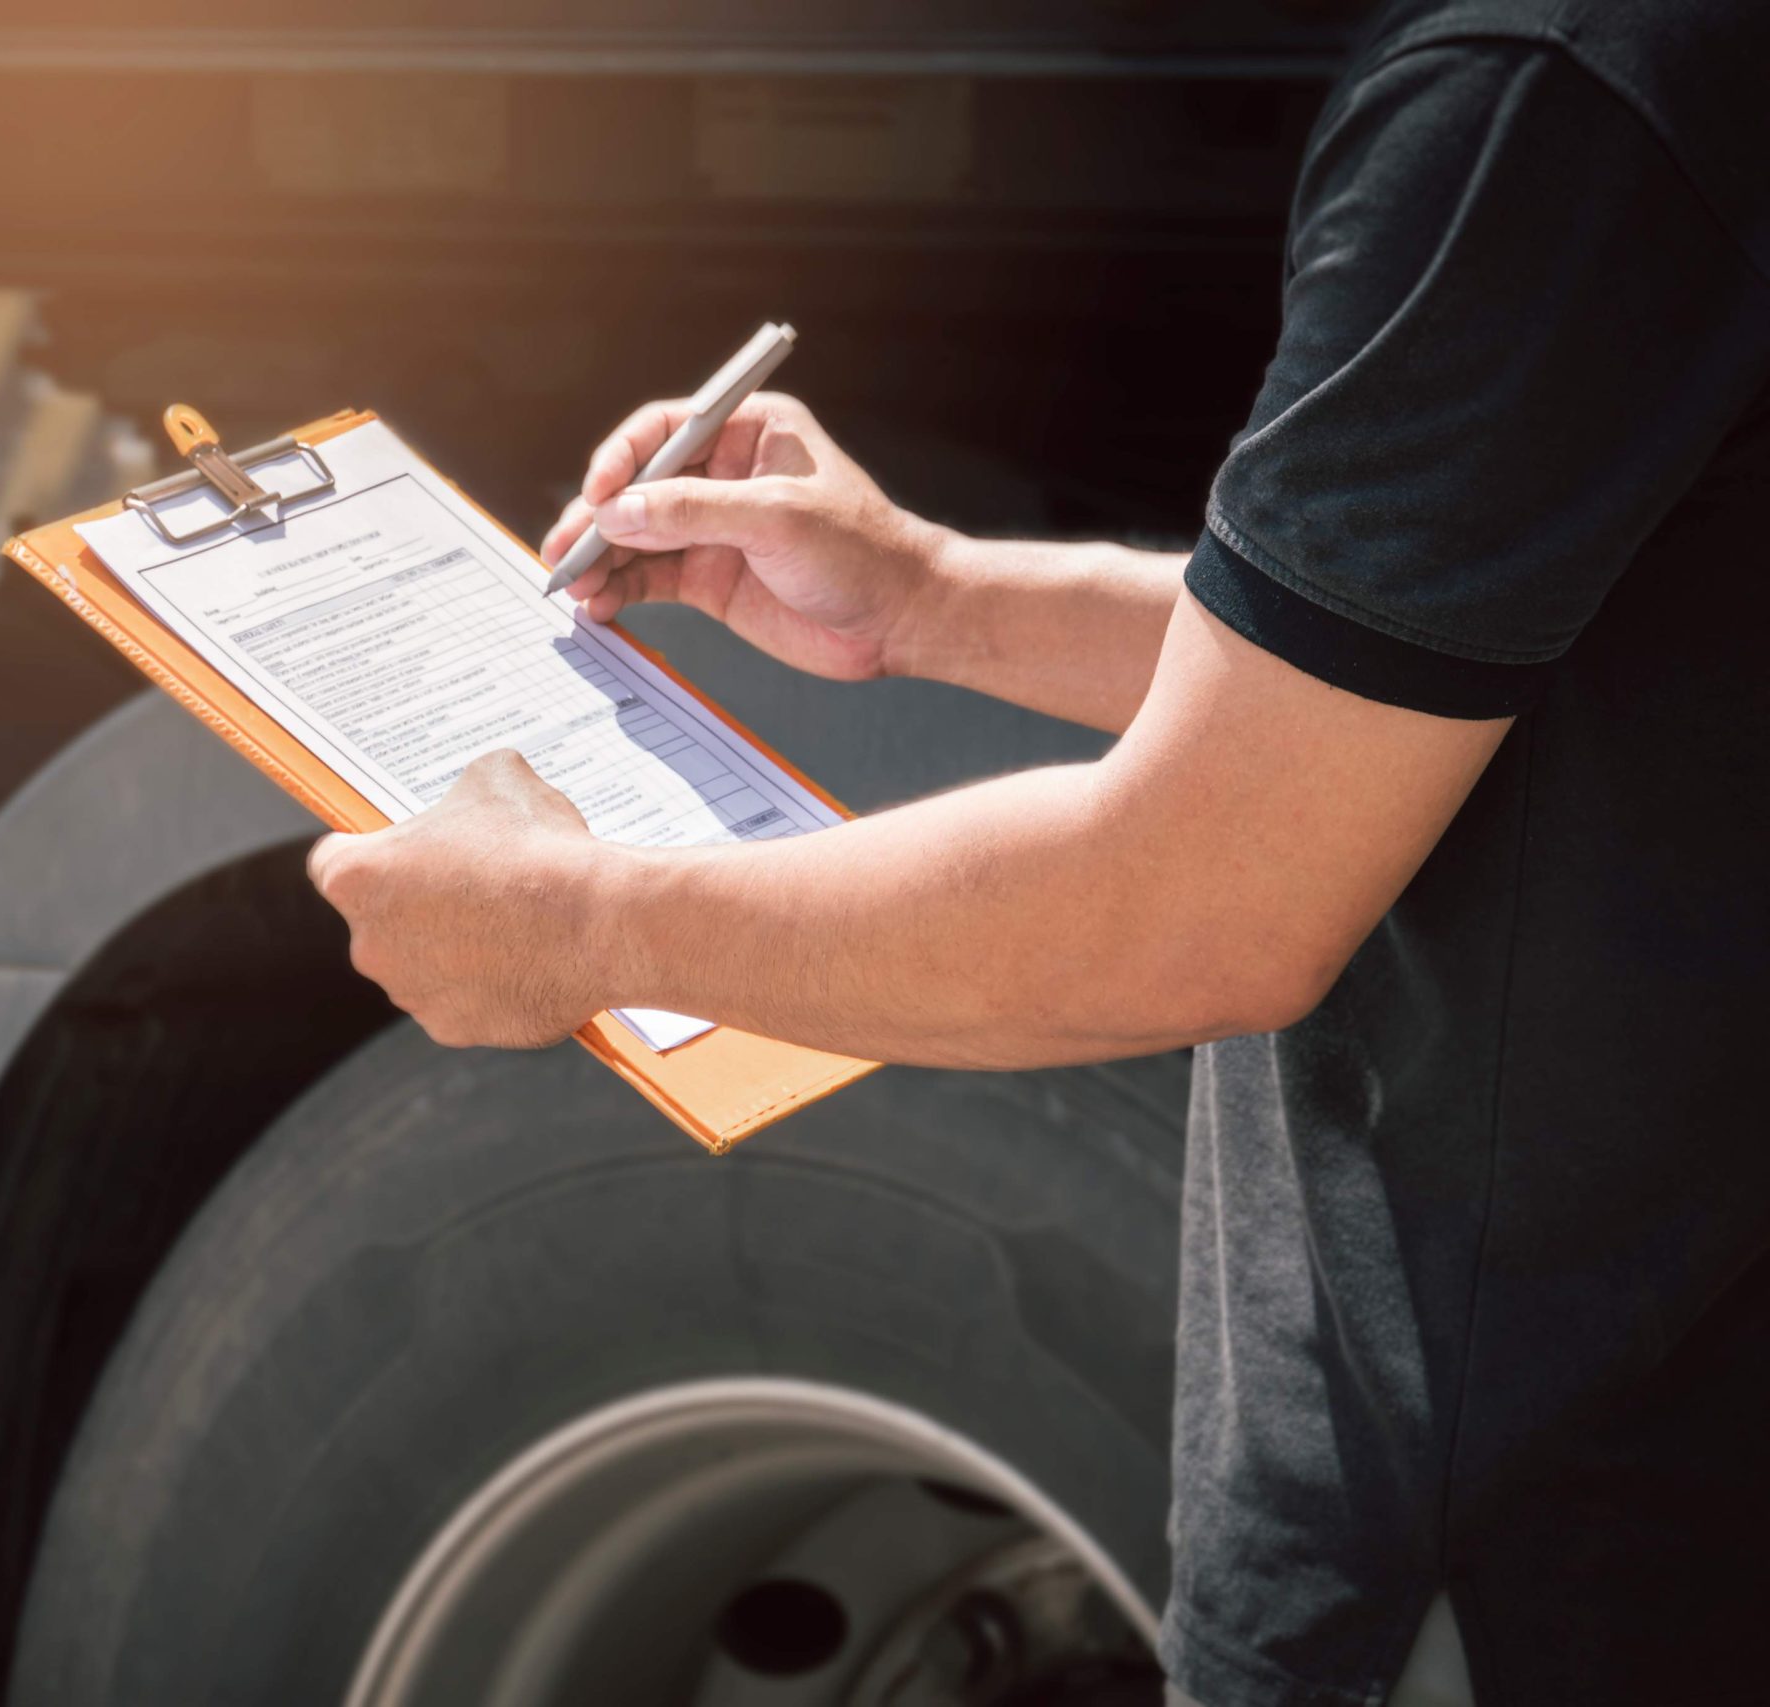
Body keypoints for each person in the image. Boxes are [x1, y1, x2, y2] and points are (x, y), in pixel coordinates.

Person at [303, 2, 1770, 1703]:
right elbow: (1416, 702)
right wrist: (930, 597)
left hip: (1516, 1564)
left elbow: (1203, 906)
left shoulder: (1540, 105)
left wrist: (582, 928)